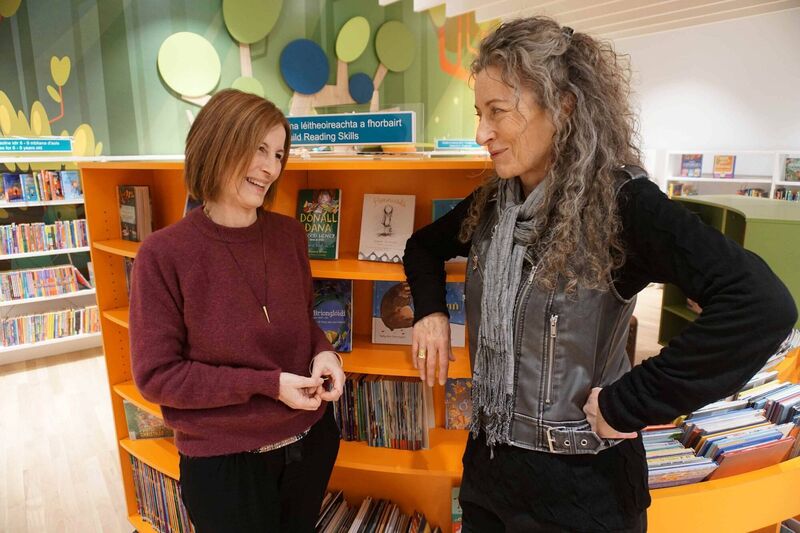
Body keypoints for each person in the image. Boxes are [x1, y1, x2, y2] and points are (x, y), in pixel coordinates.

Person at [404, 17, 797, 533]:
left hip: (585, 495)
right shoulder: (494, 205)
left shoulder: (622, 204)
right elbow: (422, 247)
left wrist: (629, 402)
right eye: (480, 114)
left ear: (563, 106)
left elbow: (761, 305)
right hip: (488, 475)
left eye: (498, 111)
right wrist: (430, 312)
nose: (482, 134)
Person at [129, 89, 345, 533]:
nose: (271, 168)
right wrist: (268, 385)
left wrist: (325, 353)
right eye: (258, 149)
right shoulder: (163, 254)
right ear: (217, 144)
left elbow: (300, 318)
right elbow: (158, 377)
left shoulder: (290, 235)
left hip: (310, 442)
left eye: (278, 154)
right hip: (225, 465)